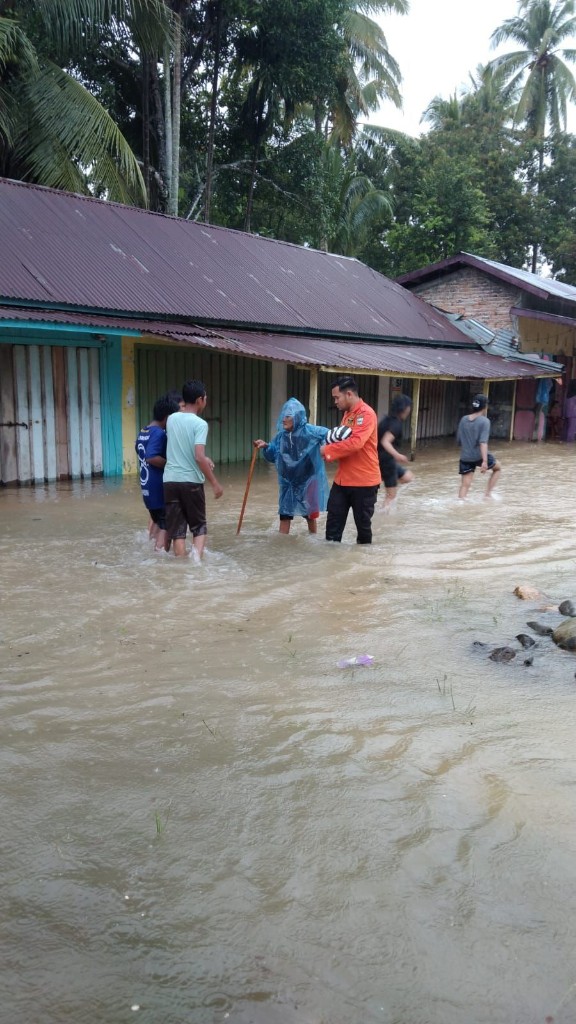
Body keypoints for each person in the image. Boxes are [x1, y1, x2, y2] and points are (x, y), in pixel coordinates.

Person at [163, 379, 224, 559]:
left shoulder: (172, 419)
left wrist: (205, 459)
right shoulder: (200, 424)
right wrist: (215, 483)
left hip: (170, 482)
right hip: (191, 482)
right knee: (199, 527)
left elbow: (181, 448)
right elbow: (198, 455)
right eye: (205, 397)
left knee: (178, 532)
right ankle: (196, 566)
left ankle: (181, 569)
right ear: (199, 400)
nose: (206, 400)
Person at [253, 398, 331, 534]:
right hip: (288, 483)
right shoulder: (281, 436)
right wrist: (265, 446)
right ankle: (283, 548)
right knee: (285, 515)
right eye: (283, 416)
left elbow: (329, 435)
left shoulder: (310, 431)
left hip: (308, 481)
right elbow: (273, 455)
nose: (283, 419)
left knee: (310, 516)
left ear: (297, 417)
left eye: (288, 416)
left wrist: (325, 447)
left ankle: (312, 540)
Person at [320, 375, 381, 544]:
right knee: (332, 527)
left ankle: (363, 566)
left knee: (363, 529)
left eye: (336, 397)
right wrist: (329, 454)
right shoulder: (347, 414)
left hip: (364, 482)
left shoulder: (366, 414)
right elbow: (342, 441)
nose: (335, 402)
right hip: (342, 480)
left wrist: (327, 450)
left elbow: (356, 443)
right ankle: (333, 566)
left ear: (348, 394)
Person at [135, 393, 180, 551]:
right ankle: (159, 559)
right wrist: (171, 464)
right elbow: (151, 457)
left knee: (159, 523)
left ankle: (152, 549)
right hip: (158, 490)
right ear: (167, 417)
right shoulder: (159, 433)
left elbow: (139, 451)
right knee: (166, 525)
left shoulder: (144, 431)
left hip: (147, 490)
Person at [457, 394, 502, 500]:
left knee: (465, 485)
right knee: (498, 468)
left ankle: (460, 503)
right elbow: (483, 442)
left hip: (465, 457)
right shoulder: (485, 421)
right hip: (479, 456)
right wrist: (485, 461)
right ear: (485, 407)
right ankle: (487, 494)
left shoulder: (463, 419)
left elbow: (459, 440)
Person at [378, 394, 414, 512]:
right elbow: (385, 441)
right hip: (386, 461)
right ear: (405, 408)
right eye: (409, 407)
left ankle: (389, 483)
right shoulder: (396, 424)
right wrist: (397, 455)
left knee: (408, 477)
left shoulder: (386, 420)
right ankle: (383, 518)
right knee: (391, 495)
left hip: (383, 460)